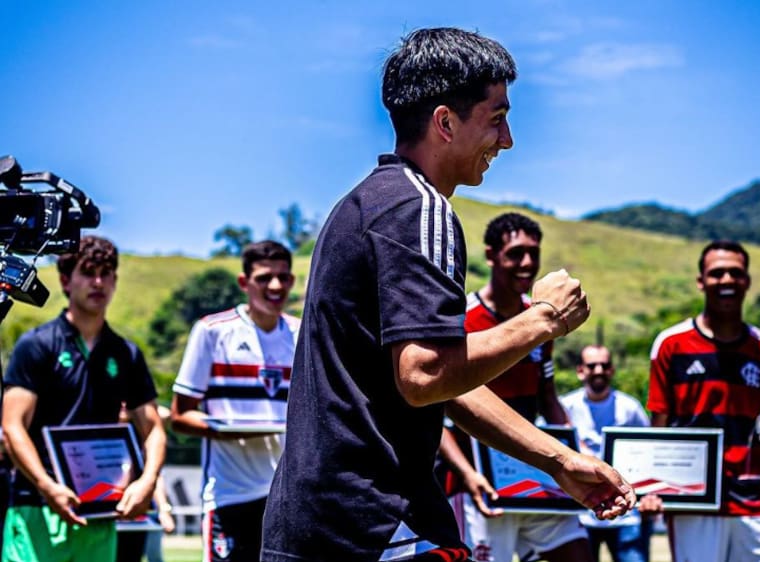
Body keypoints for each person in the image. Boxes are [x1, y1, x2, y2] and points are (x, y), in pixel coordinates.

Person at [261, 27, 635, 562]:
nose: (507, 140)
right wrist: (544, 318)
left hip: (317, 523)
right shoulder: (421, 208)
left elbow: (444, 379)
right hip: (378, 525)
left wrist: (557, 460)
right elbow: (427, 375)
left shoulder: (367, 203)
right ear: (445, 122)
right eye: (497, 117)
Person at [437, 212, 592, 562]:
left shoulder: (541, 319)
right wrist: (467, 473)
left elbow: (548, 398)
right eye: (515, 253)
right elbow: (436, 403)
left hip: (532, 476)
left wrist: (577, 450)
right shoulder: (459, 317)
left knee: (580, 553)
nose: (527, 263)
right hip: (478, 485)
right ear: (491, 255)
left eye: (533, 254)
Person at [1, 235, 166, 562]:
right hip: (36, 506)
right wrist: (48, 486)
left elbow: (154, 429)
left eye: (106, 273)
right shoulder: (37, 345)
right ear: (65, 280)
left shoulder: (126, 353)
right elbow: (12, 427)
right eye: (88, 272)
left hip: (99, 510)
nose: (98, 282)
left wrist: (147, 482)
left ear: (116, 281)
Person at [644, 240, 760, 562]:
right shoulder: (671, 344)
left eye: (735, 273)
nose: (727, 280)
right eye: (717, 273)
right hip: (694, 500)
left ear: (747, 281)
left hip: (755, 500)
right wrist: (653, 487)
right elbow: (660, 424)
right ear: (701, 281)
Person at [171, 240, 298, 562]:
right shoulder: (212, 331)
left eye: (283, 277)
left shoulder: (302, 334)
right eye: (264, 277)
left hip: (288, 498)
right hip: (230, 495)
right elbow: (180, 417)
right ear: (244, 283)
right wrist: (229, 430)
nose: (275, 286)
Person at [560, 345, 652, 562]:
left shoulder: (630, 408)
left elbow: (649, 452)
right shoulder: (564, 407)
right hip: (578, 514)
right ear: (580, 370)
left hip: (627, 515)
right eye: (592, 365)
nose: (599, 370)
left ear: (612, 370)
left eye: (605, 365)